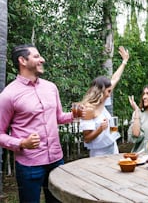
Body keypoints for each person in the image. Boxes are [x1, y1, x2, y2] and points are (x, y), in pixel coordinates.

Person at [0, 44, 83, 202]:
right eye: (37, 56)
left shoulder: (51, 87)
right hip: (29, 165)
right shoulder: (8, 95)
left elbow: (58, 117)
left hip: (57, 160)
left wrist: (74, 116)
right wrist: (22, 143)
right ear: (22, 61)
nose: (42, 59)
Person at [79, 46, 129, 157]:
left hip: (113, 147)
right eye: (108, 91)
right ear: (100, 92)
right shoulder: (89, 109)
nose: (109, 94)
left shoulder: (102, 101)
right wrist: (100, 129)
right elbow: (86, 139)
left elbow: (115, 78)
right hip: (99, 153)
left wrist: (124, 61)